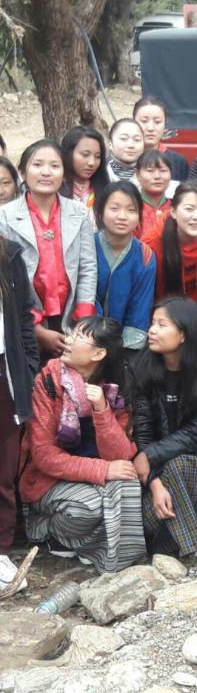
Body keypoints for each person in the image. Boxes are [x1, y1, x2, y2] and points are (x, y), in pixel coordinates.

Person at [20, 316, 145, 572]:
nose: (68, 340)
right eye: (71, 333)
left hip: (92, 478)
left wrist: (101, 409)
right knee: (89, 508)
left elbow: (120, 454)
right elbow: (43, 455)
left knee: (128, 481)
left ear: (98, 353)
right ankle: (46, 528)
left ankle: (120, 563)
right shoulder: (48, 381)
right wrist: (101, 470)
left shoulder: (114, 388)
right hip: (49, 481)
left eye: (78, 337)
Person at [132, 298, 197, 558]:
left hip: (195, 480)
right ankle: (191, 543)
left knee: (181, 464)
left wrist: (150, 456)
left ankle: (176, 544)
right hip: (153, 486)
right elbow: (142, 433)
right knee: (151, 512)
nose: (152, 330)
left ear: (183, 334)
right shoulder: (142, 370)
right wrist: (154, 484)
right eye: (152, 323)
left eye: (161, 325)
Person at [0, 140, 97, 362]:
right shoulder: (4, 216)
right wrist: (37, 330)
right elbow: (5, 280)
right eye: (38, 165)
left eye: (54, 166)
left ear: (64, 174)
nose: (46, 172)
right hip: (24, 321)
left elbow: (88, 268)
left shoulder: (79, 213)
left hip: (71, 318)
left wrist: (82, 320)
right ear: (23, 173)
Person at [0, 231, 40, 590]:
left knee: (4, 466)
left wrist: (27, 368)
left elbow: (25, 320)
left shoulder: (9, 255)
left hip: (4, 372)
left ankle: (0, 551)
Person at [93, 181, 157, 350]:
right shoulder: (87, 246)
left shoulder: (145, 255)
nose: (122, 216)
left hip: (124, 344)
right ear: (100, 211)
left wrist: (125, 349)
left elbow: (140, 308)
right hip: (87, 337)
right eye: (114, 209)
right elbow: (85, 297)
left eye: (131, 210)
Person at [143, 182, 197, 302]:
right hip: (163, 307)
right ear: (173, 212)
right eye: (189, 209)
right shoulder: (152, 242)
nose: (196, 217)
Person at [133, 97, 190, 181]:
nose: (150, 128)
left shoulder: (178, 162)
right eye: (144, 121)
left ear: (165, 124)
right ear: (133, 122)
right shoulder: (124, 158)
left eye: (157, 122)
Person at [61, 126, 108, 210]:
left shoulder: (106, 190)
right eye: (85, 155)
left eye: (97, 156)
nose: (92, 163)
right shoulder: (55, 188)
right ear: (68, 153)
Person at [134, 149, 177, 239]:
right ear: (137, 174)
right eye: (150, 171)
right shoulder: (132, 208)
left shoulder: (177, 208)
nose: (157, 176)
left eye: (163, 171)